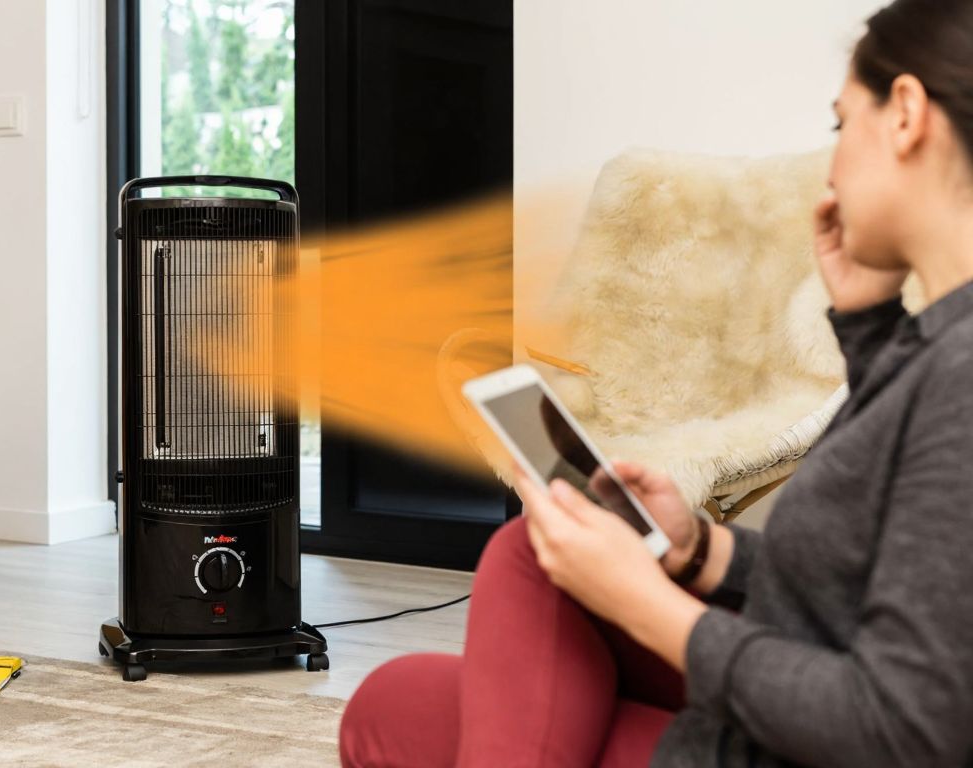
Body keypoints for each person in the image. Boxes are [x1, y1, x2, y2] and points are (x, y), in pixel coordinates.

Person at [339, 0, 973, 764]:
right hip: (799, 683)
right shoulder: (932, 343)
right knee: (415, 678)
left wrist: (643, 604)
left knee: (458, 649)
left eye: (842, 126)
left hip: (821, 736)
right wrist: (697, 550)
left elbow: (904, 730)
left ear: (905, 114)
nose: (832, 165)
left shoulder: (961, 379)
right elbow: (868, 569)